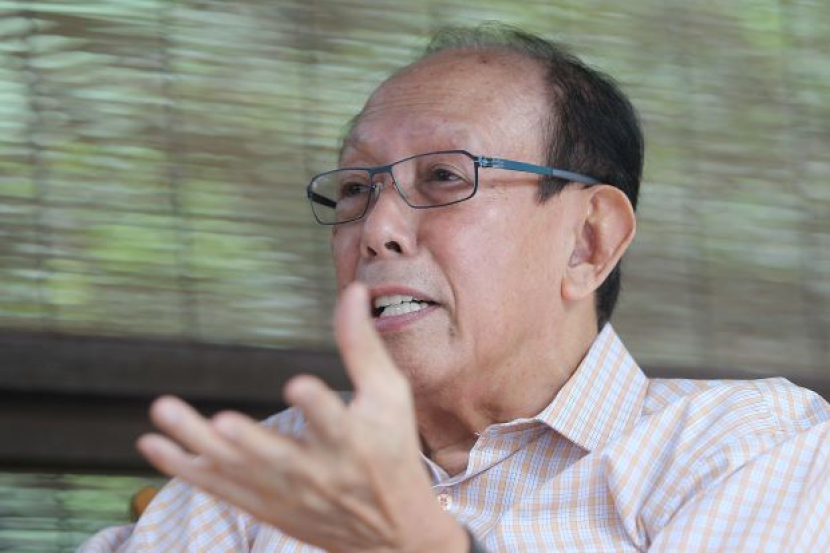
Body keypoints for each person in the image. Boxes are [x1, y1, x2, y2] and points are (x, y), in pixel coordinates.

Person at [80, 24, 829, 552]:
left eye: (444, 176)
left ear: (588, 240)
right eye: (354, 189)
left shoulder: (742, 447)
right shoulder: (274, 474)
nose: (377, 229)